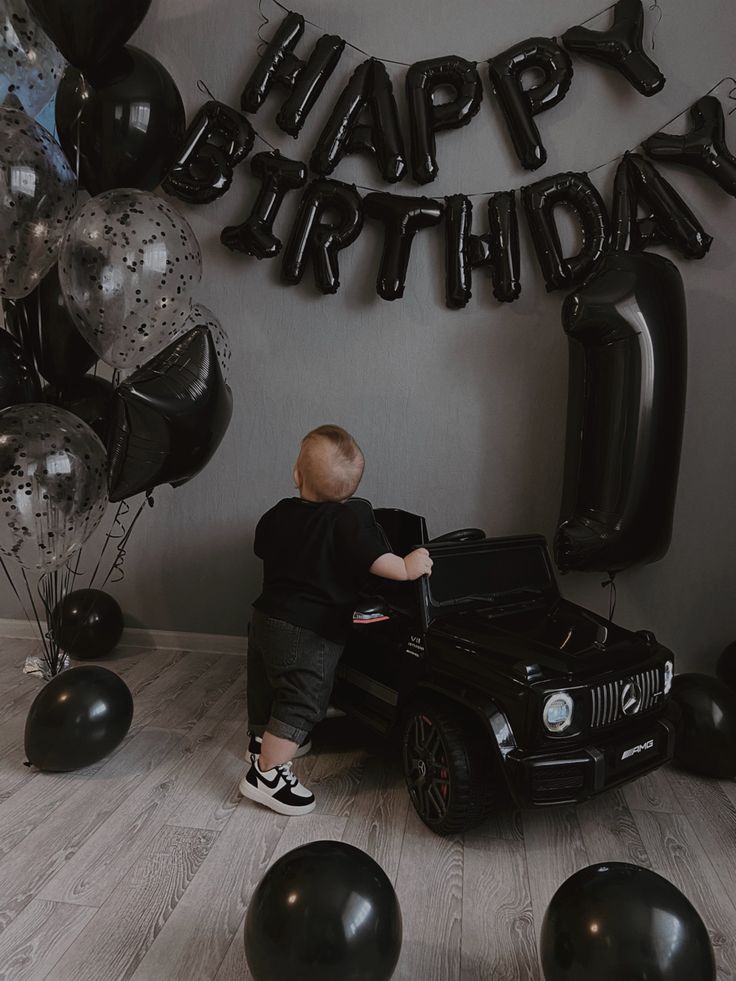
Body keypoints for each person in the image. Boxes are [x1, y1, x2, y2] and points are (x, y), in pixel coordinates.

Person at [239, 424, 433, 816]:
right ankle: (267, 774)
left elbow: (262, 545)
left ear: (297, 475)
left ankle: (261, 743)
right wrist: (409, 566)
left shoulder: (278, 514)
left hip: (265, 617)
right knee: (303, 698)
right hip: (308, 631)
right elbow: (380, 563)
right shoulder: (348, 522)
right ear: (352, 490)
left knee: (265, 683)